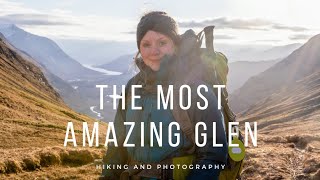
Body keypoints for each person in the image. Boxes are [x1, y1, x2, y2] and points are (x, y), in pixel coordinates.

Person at [101, 11, 227, 180]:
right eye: (146, 44)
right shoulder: (133, 87)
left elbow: (213, 155)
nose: (154, 51)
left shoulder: (195, 89)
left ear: (175, 45)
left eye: (162, 42)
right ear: (139, 48)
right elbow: (116, 146)